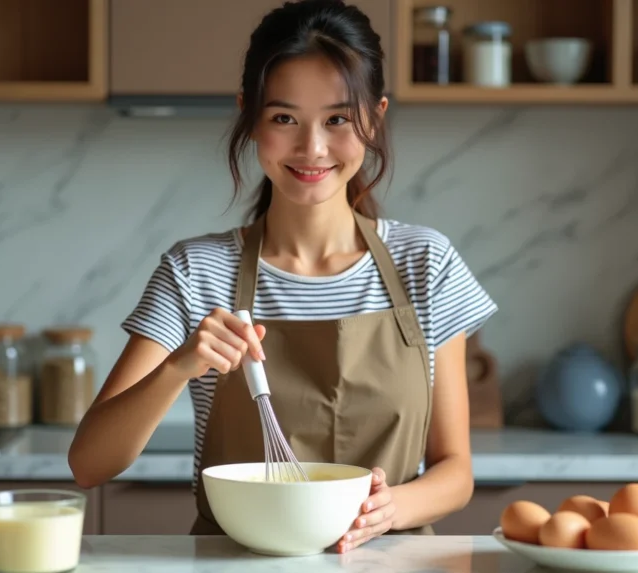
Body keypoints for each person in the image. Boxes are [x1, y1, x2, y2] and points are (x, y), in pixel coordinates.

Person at [68, 0, 497, 553]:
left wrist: (392, 509)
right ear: (250, 115)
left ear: (376, 115)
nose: (312, 148)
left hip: (390, 561)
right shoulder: (196, 272)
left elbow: (455, 468)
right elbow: (88, 464)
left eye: (338, 119)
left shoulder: (427, 263)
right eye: (284, 118)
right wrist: (179, 367)